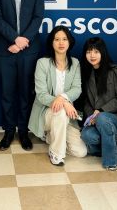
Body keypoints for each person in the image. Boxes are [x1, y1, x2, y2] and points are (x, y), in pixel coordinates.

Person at [0, 0, 45, 151]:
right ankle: (8, 131)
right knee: (6, 92)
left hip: (28, 50)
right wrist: (14, 38)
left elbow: (38, 17)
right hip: (5, 49)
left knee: (25, 92)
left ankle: (23, 131)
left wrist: (23, 41)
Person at [28, 26, 87, 166]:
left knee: (81, 152)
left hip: (66, 114)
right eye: (57, 39)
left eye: (64, 39)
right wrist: (64, 102)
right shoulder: (43, 63)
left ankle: (52, 136)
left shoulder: (75, 63)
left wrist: (63, 98)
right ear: (52, 42)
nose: (61, 43)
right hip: (46, 113)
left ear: (69, 42)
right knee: (60, 111)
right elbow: (41, 95)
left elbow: (77, 89)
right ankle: (56, 154)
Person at [79, 37, 117, 170]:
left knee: (103, 118)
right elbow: (86, 101)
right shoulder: (86, 73)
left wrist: (102, 111)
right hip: (97, 119)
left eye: (96, 51)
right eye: (89, 52)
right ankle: (115, 150)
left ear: (102, 52)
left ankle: (113, 160)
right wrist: (91, 116)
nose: (92, 55)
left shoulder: (115, 70)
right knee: (87, 135)